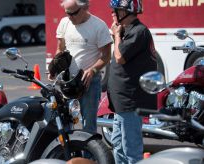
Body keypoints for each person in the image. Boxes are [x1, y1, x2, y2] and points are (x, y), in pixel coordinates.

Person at [49, 0, 112, 133]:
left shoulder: (99, 26)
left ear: (85, 8)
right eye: (67, 13)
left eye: (73, 13)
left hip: (88, 82)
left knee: (88, 126)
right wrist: (53, 68)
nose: (70, 17)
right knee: (64, 123)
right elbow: (59, 50)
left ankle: (87, 154)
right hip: (66, 81)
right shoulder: (64, 23)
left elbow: (106, 56)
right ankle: (67, 153)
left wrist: (93, 70)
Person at [107, 0, 157, 163]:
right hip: (121, 101)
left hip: (131, 101)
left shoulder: (139, 31)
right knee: (118, 145)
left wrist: (116, 35)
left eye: (116, 10)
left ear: (126, 12)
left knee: (131, 149)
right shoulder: (126, 31)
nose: (112, 13)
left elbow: (120, 57)